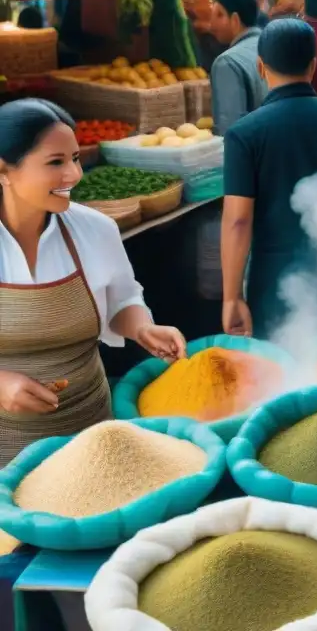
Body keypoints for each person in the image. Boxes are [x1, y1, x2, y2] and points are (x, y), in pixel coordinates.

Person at [0, 99, 185, 464]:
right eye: (55, 162)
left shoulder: (95, 229)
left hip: (88, 432)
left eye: (75, 158)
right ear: (4, 170)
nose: (73, 175)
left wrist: (142, 327)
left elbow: (121, 299)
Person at [221, 20, 317, 340]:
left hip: (276, 280)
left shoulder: (244, 133)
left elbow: (238, 221)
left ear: (261, 68)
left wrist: (231, 298)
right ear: (313, 66)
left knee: (284, 368)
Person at [209, 0, 267, 134]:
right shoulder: (272, 45)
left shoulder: (227, 62)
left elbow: (230, 128)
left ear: (235, 19)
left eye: (219, 15)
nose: (211, 25)